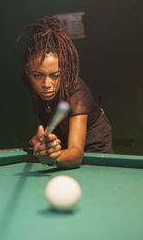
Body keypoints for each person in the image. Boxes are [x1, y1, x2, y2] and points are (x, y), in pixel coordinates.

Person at [19, 16, 113, 169]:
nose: (46, 84)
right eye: (38, 75)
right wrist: (40, 140)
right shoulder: (29, 82)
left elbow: (75, 154)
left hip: (94, 139)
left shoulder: (76, 91)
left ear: (64, 71)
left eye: (55, 75)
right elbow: (45, 114)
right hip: (63, 134)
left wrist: (50, 158)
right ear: (28, 72)